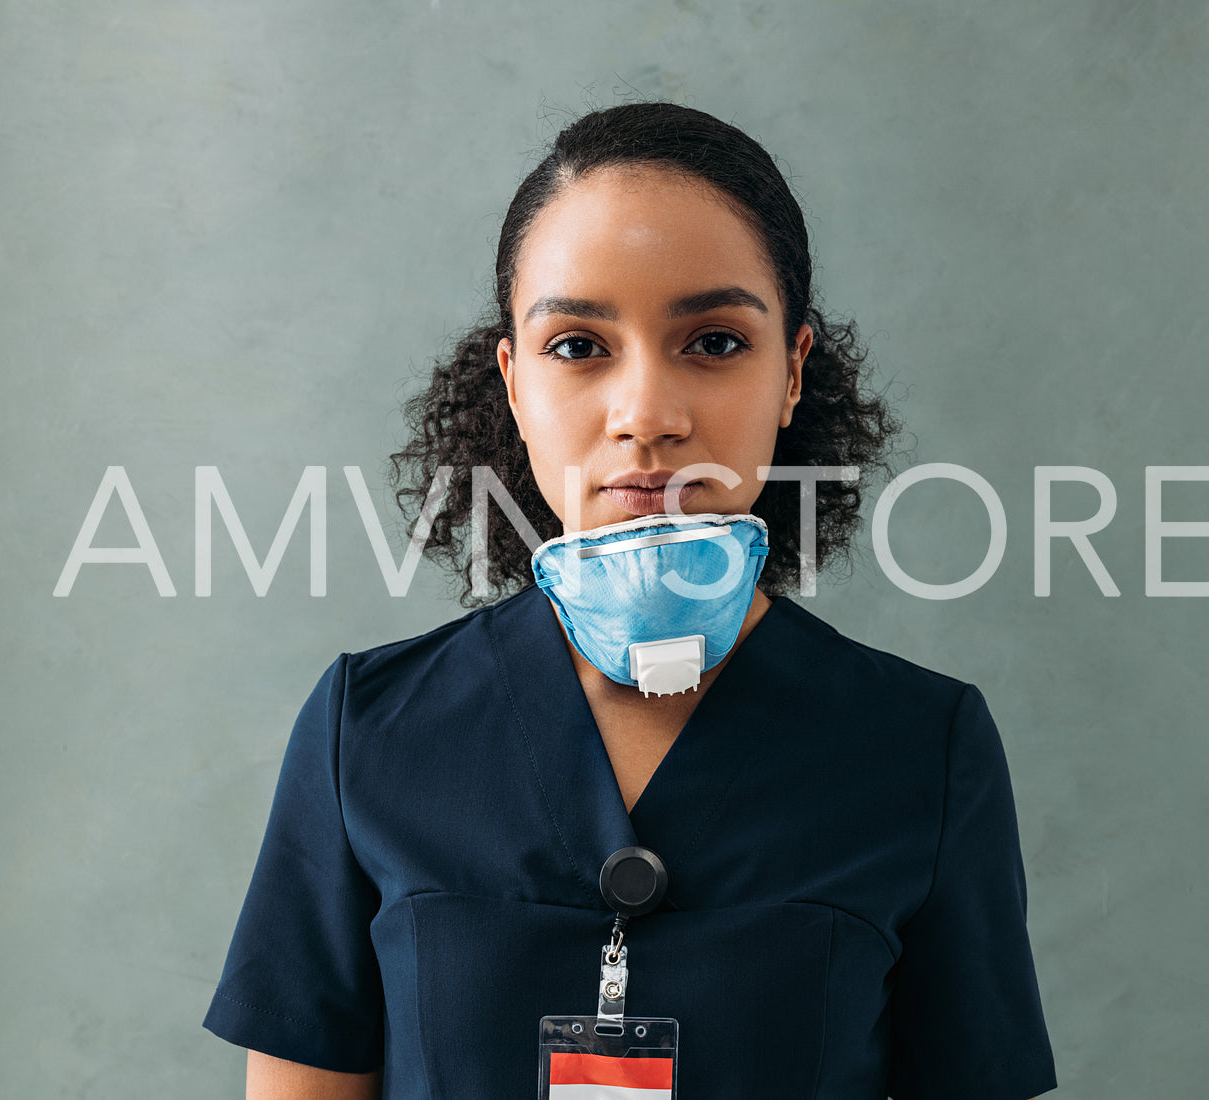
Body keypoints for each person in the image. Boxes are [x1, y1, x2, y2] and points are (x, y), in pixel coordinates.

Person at [202, 101, 1058, 1100]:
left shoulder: (922, 747)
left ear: (791, 370)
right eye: (577, 345)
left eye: (713, 341)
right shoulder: (370, 729)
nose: (646, 413)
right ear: (513, 383)